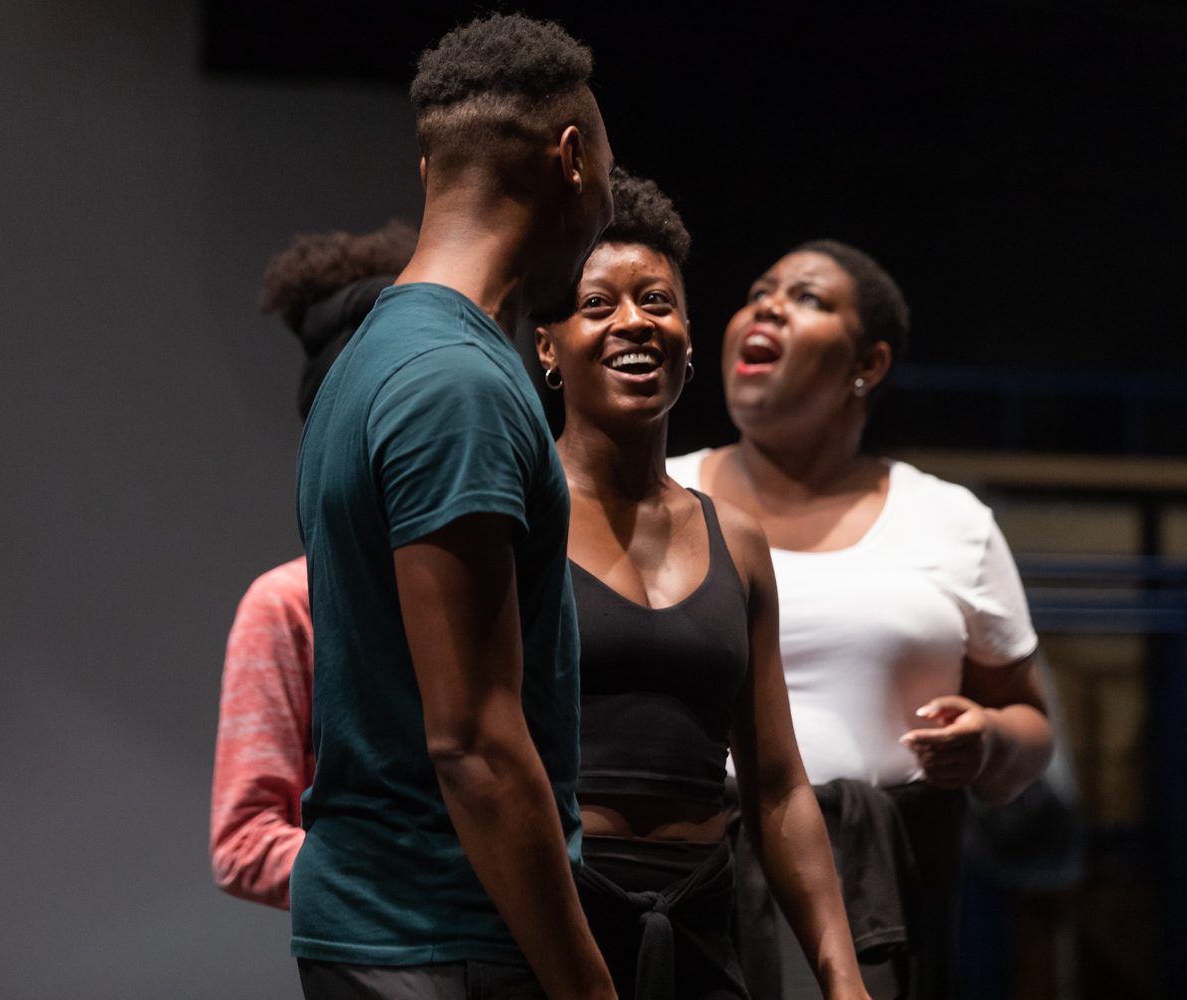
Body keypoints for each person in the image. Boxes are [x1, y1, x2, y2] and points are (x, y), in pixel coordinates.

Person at [292, 14, 617, 1000]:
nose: (607, 208)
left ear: (429, 168)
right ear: (573, 159)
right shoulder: (456, 384)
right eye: (609, 177)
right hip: (443, 941)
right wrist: (588, 987)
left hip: (399, 937)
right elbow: (473, 745)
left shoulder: (378, 357)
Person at [668, 241, 1054, 998]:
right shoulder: (659, 497)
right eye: (760, 291)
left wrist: (988, 740)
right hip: (685, 877)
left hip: (873, 888)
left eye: (807, 298)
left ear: (868, 364)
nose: (769, 307)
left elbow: (1032, 724)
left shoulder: (948, 520)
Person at [534, 170, 870, 1000]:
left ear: (688, 337)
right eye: (597, 304)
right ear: (547, 346)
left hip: (701, 922)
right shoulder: (517, 518)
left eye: (657, 300)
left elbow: (777, 785)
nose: (633, 322)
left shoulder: (737, 541)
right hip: (550, 924)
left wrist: (842, 975)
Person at [209, 220, 415, 910]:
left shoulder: (497, 583)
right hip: (382, 949)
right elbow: (244, 841)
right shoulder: (288, 605)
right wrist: (418, 882)